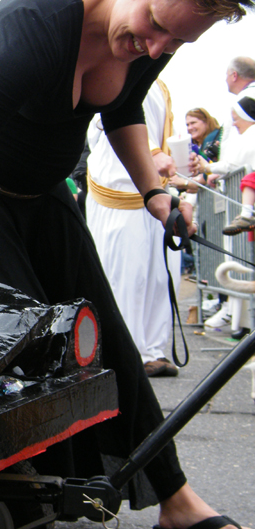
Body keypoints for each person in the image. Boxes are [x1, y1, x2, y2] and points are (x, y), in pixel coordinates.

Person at [0, 0, 255, 529]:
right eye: (155, 27)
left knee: (104, 336)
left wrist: (155, 193)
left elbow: (124, 107)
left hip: (43, 197)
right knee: (14, 351)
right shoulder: (34, 28)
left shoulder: (151, 37)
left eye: (175, 42)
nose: (156, 49)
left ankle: (175, 499)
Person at [86, 80, 180, 377]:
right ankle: (128, 351)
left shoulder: (159, 85)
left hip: (155, 192)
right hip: (119, 191)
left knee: (158, 275)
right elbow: (110, 121)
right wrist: (151, 152)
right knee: (126, 275)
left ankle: (152, 350)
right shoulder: (116, 76)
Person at [194, 96, 255, 235]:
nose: (234, 124)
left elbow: (232, 165)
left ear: (246, 117)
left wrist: (207, 168)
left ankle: (246, 215)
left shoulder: (251, 133)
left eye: (236, 119)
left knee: (249, 179)